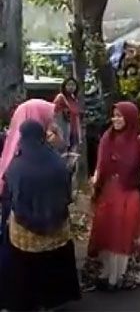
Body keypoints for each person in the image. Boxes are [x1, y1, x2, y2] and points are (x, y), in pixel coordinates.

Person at [0, 120, 81, 311]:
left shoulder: (17, 166)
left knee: (24, 268)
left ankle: (28, 302)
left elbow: (11, 197)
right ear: (42, 136)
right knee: (53, 263)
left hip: (26, 234)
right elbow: (67, 192)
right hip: (57, 229)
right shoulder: (57, 161)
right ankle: (52, 301)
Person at [84, 102, 140, 291]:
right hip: (108, 193)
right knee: (105, 231)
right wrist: (95, 184)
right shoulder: (107, 138)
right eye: (113, 115)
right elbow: (100, 166)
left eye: (120, 116)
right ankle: (104, 275)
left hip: (130, 195)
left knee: (124, 234)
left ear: (130, 117)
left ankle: (124, 276)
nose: (115, 119)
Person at [53, 76, 82, 152]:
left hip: (74, 131)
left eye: (73, 85)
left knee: (72, 155)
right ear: (64, 86)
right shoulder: (60, 98)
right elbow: (54, 113)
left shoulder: (74, 99)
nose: (71, 87)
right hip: (63, 131)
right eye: (69, 85)